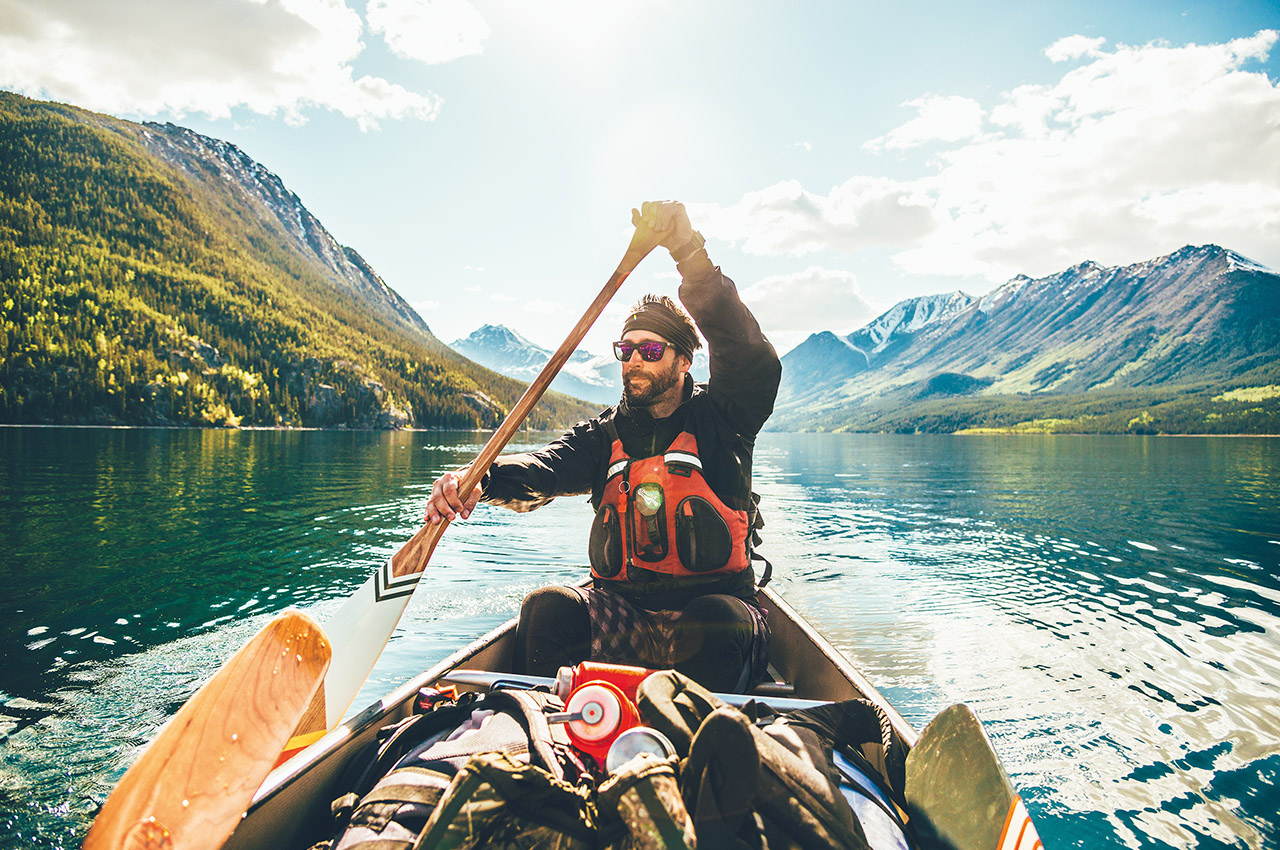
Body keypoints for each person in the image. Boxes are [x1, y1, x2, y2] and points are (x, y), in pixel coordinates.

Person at [425, 200, 782, 693]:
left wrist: (689, 254)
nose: (634, 360)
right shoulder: (604, 436)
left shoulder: (727, 418)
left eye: (650, 350)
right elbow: (543, 469)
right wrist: (480, 479)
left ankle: (690, 728)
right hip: (627, 616)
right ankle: (549, 723)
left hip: (719, 611)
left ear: (684, 361)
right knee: (547, 608)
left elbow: (746, 353)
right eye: (626, 349)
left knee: (712, 621)